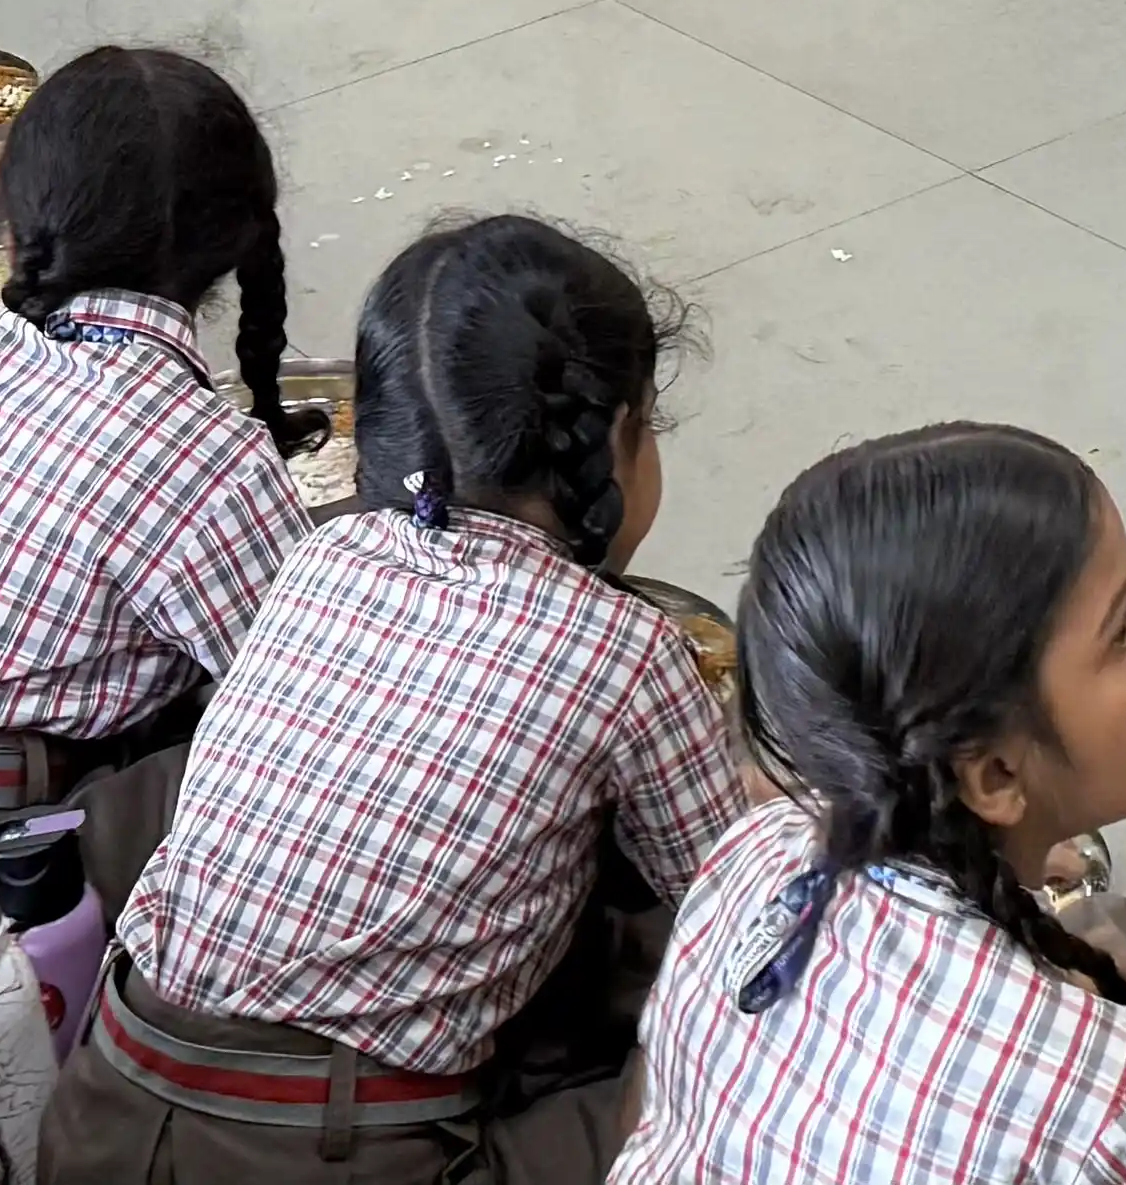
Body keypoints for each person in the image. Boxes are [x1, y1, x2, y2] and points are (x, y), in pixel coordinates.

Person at [47, 214, 743, 1181]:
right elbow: (733, 894)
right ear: (619, 434)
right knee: (696, 1059)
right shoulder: (627, 649)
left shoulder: (323, 553)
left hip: (102, 1101)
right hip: (324, 1154)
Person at [619, 424, 1126, 1185]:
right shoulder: (1100, 1101)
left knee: (1118, 936)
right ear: (994, 778)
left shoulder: (754, 850)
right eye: (1120, 632)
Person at [0, 45, 318, 996]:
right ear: (233, 241)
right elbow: (299, 706)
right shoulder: (203, 455)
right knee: (317, 767)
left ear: (18, 218)